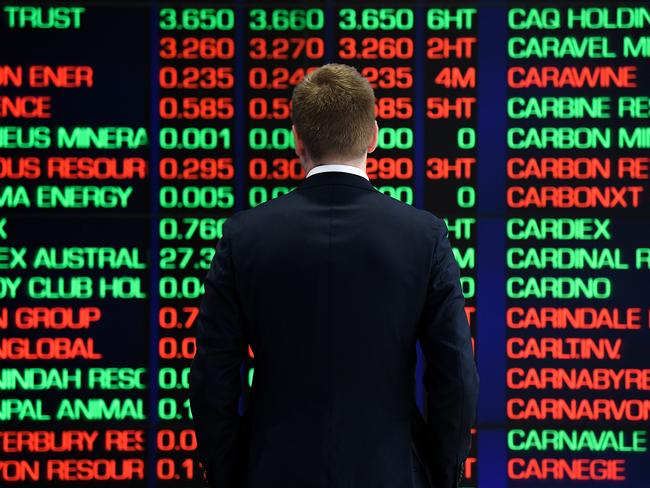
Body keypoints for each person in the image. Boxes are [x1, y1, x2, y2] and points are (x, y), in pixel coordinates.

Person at [189, 63, 479, 488]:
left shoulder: (244, 236)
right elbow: (455, 370)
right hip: (391, 472)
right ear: (374, 136)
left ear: (297, 140)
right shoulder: (423, 235)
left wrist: (230, 472)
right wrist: (439, 474)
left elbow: (213, 373)